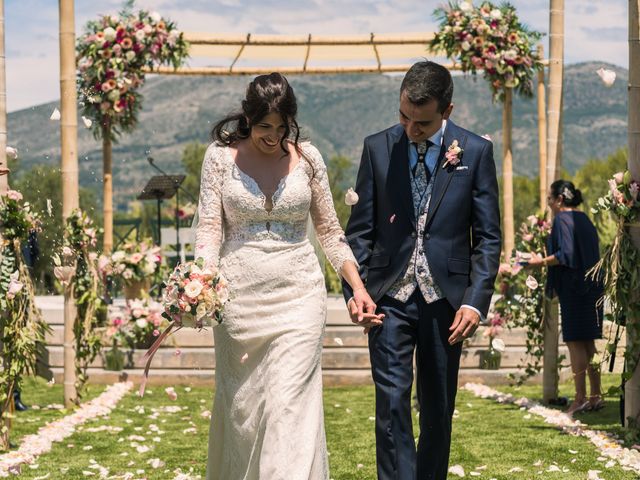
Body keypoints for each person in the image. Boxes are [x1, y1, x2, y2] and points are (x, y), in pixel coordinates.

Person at [195, 72, 383, 480]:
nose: (273, 136)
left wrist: (358, 287)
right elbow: (210, 229)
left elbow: (331, 232)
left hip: (299, 296)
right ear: (248, 118)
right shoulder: (218, 158)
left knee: (288, 406)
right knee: (244, 412)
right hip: (238, 301)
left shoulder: (309, 158)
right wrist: (200, 284)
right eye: (265, 126)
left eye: (281, 128)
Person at [343, 61, 501, 480]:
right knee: (391, 404)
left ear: (447, 110)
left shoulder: (476, 152)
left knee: (437, 410)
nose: (410, 129)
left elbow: (487, 238)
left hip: (446, 302)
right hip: (387, 301)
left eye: (423, 122)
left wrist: (475, 301)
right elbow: (358, 233)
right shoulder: (377, 148)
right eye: (404, 117)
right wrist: (356, 294)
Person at [528, 179, 604, 416]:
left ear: (560, 199)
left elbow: (565, 254)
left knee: (575, 342)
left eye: (550, 199)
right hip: (593, 287)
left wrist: (539, 261)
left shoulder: (562, 219)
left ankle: (580, 398)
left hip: (574, 288)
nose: (549, 204)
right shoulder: (585, 220)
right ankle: (596, 396)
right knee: (589, 342)